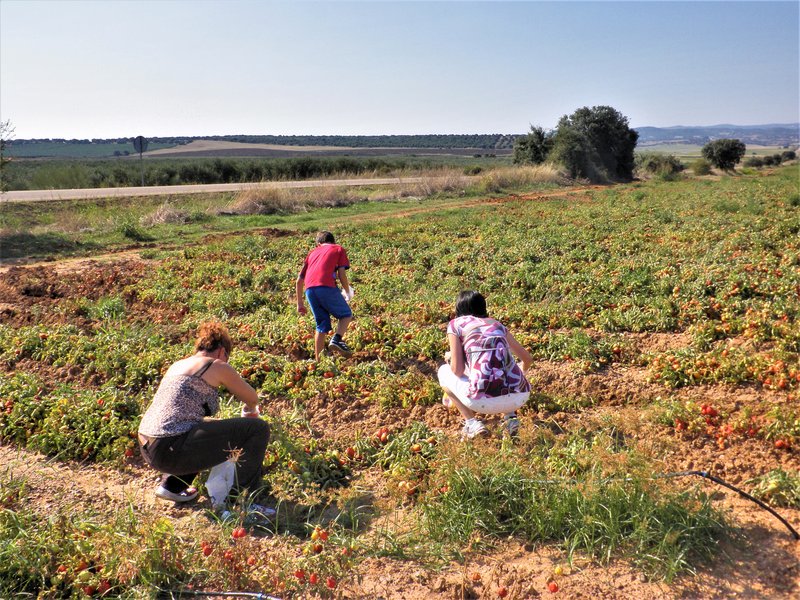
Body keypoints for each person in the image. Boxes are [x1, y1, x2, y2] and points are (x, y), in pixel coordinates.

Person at [138, 321, 273, 515]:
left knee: (204, 427)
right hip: (170, 446)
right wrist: (250, 409)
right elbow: (252, 398)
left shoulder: (178, 365)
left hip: (149, 445)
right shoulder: (215, 365)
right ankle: (242, 499)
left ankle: (172, 486)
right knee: (258, 429)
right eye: (227, 357)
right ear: (221, 351)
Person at [438, 290, 533, 439]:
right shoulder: (496, 324)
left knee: (444, 372)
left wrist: (450, 359)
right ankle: (511, 419)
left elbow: (457, 370)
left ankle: (472, 423)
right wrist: (521, 373)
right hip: (520, 397)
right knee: (500, 366)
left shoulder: (456, 324)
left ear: (459, 309)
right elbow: (527, 359)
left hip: (480, 402)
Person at [296, 230, 354, 360]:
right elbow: (341, 274)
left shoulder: (312, 253)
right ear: (333, 241)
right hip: (326, 286)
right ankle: (337, 339)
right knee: (346, 315)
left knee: (321, 325)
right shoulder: (338, 249)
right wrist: (347, 290)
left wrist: (300, 303)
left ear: (318, 243)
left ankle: (319, 361)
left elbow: (299, 280)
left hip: (310, 290)